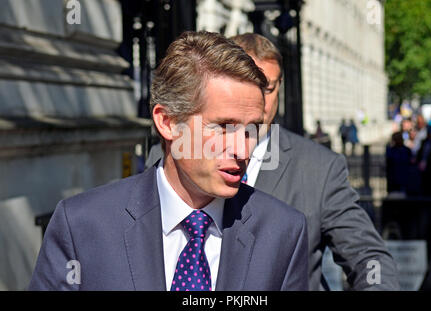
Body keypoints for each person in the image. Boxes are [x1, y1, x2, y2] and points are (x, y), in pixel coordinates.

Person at [28, 31, 308, 291]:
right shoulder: (82, 225)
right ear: (168, 122)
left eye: (252, 129)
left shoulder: (283, 233)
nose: (243, 149)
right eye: (224, 126)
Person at [147, 33, 399, 290]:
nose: (257, 100)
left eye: (266, 87)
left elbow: (369, 258)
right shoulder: (169, 157)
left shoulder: (318, 168)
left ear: (279, 86)